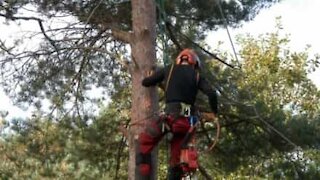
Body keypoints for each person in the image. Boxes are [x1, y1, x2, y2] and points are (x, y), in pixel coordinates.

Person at [136, 48, 218, 180]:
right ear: (194, 63)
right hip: (186, 124)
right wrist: (214, 112)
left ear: (180, 59)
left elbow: (146, 83)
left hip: (169, 118)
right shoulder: (197, 76)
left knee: (145, 141)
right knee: (177, 158)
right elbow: (212, 93)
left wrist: (153, 77)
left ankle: (144, 173)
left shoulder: (169, 69)